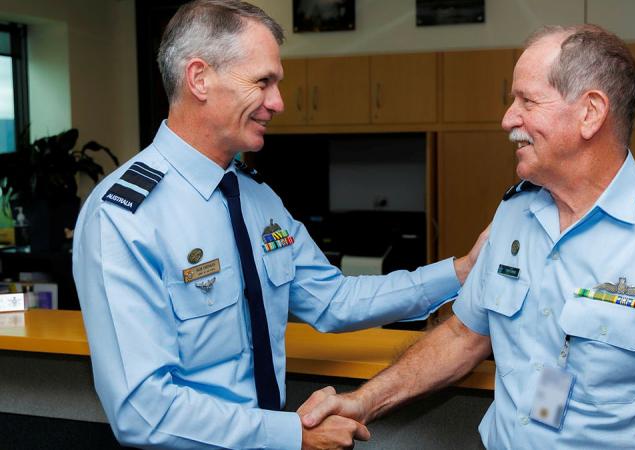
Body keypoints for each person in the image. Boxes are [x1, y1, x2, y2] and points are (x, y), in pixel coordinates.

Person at [299, 24, 635, 449]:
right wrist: (364, 402)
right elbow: (464, 335)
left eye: (527, 101)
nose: (508, 119)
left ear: (590, 113)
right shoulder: (516, 212)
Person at [71, 1, 485, 449]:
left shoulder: (257, 197)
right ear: (199, 78)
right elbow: (142, 412)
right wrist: (293, 436)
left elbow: (333, 299)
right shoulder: (124, 216)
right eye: (263, 82)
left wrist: (459, 272)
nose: (278, 103)